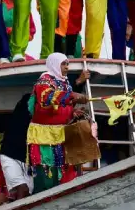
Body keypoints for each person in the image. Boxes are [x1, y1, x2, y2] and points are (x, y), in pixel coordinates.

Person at [27, 53, 90, 193]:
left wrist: (74, 112)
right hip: (44, 138)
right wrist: (73, 95)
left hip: (63, 136)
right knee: (47, 174)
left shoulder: (65, 82)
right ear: (54, 64)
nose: (67, 67)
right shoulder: (44, 81)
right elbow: (47, 98)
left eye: (67, 64)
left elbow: (64, 106)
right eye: (63, 64)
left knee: (66, 174)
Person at [0, 93, 34, 200]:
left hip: (27, 158)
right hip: (10, 155)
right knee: (22, 188)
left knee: (28, 191)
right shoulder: (23, 110)